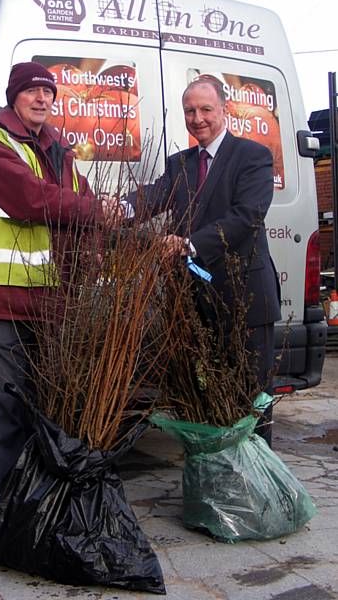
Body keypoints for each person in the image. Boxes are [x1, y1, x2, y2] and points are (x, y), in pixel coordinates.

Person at [0, 62, 108, 497]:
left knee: (47, 402)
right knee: (5, 402)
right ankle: (4, 503)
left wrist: (93, 257)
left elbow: (85, 207)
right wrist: (95, 210)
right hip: (2, 298)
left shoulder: (60, 152)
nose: (42, 99)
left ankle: (38, 497)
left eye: (48, 92)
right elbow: (29, 199)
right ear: (13, 96)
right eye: (31, 91)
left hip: (52, 299)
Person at [118, 75, 282, 445]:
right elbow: (156, 195)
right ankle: (217, 485)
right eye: (190, 111)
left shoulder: (252, 156)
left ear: (224, 110)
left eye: (206, 109)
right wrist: (122, 207)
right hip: (197, 303)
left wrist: (189, 244)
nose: (198, 118)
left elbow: (247, 216)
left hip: (246, 300)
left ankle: (254, 488)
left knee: (252, 402)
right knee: (210, 401)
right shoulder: (181, 164)